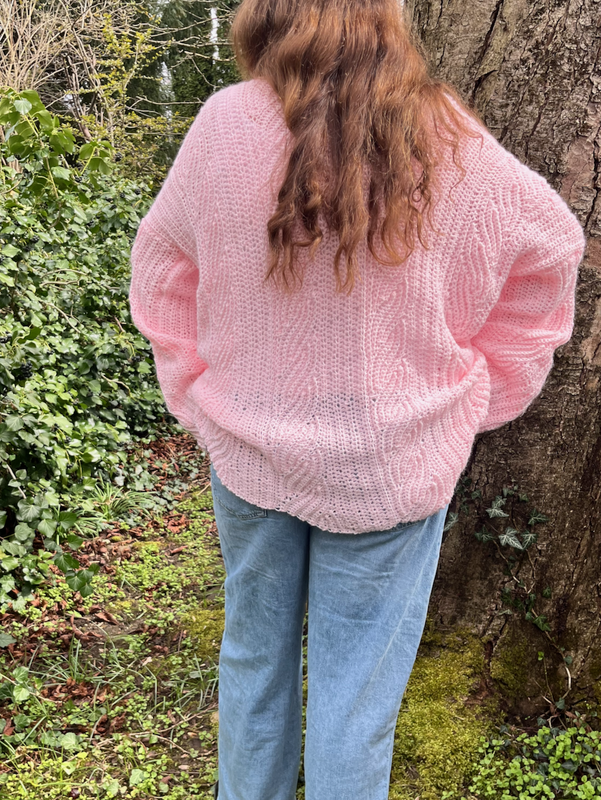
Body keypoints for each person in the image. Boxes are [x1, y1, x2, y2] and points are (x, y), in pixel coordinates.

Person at [128, 0, 587, 797]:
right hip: (394, 465)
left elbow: (162, 265)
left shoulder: (224, 124)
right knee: (356, 704)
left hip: (249, 449)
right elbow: (551, 248)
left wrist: (195, 390)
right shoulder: (444, 137)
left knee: (252, 660)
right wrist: (477, 393)